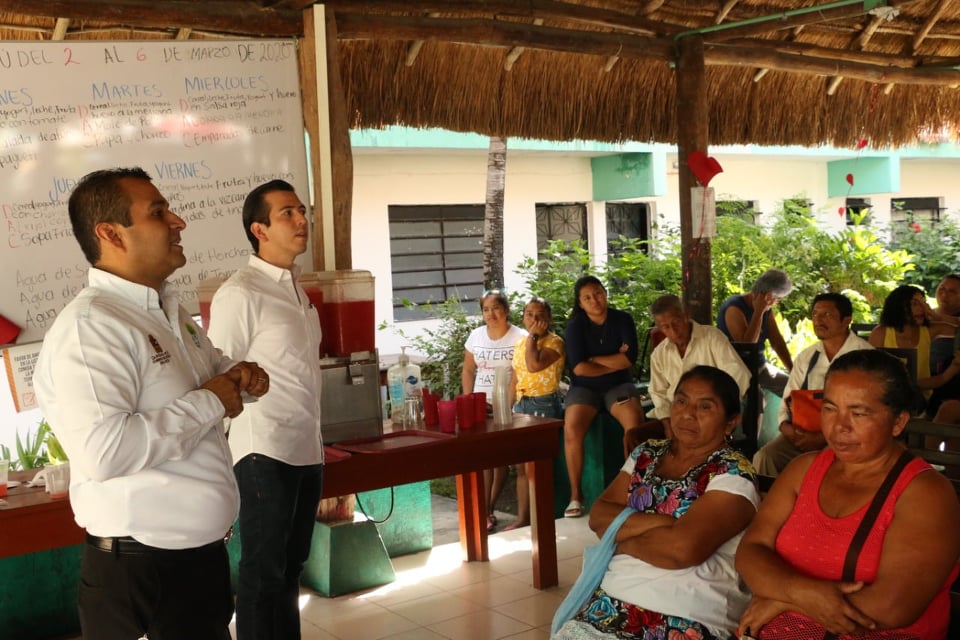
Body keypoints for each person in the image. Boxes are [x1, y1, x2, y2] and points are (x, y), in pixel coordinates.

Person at [33, 167, 269, 640]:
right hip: (143, 575)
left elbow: (205, 375)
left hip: (195, 565)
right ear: (110, 234)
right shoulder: (92, 327)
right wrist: (211, 400)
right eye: (158, 213)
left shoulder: (165, 311)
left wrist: (238, 374)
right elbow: (106, 453)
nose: (178, 222)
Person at [736, 349, 960, 639]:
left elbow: (893, 607)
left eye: (858, 413)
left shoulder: (925, 493)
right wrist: (800, 593)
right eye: (830, 409)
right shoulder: (803, 470)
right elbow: (751, 551)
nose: (839, 426)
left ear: (898, 422)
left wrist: (783, 601)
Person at [553, 366, 760, 639]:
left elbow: (682, 550)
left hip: (683, 615)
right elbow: (599, 516)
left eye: (705, 407)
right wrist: (664, 523)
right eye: (681, 401)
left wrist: (620, 542)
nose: (687, 414)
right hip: (609, 606)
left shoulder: (734, 473)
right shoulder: (647, 453)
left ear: (731, 422)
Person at [207, 180, 324, 640]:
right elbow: (220, 374)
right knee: (263, 572)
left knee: (291, 569)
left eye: (302, 211)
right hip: (263, 449)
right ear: (259, 230)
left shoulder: (296, 290)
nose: (301, 220)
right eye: (287, 213)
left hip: (306, 445)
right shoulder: (241, 292)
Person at [752, 292, 873, 477]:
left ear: (846, 320)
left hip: (846, 436)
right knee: (765, 457)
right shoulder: (807, 357)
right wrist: (787, 428)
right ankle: (772, 496)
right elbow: (787, 399)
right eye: (815, 314)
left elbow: (867, 411)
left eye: (828, 314)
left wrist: (822, 437)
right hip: (804, 433)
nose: (819, 320)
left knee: (826, 464)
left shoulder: (865, 356)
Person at [563, 276, 644, 518]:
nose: (594, 300)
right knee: (572, 428)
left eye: (598, 293)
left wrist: (593, 359)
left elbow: (628, 360)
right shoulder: (576, 326)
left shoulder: (622, 319)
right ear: (580, 303)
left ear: (605, 293)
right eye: (587, 297)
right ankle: (576, 496)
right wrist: (613, 361)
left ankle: (634, 489)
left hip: (619, 385)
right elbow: (578, 368)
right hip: (584, 388)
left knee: (634, 424)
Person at [625, 294, 751, 451]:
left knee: (693, 441)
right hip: (676, 418)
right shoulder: (660, 353)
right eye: (665, 327)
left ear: (686, 315)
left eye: (676, 322)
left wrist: (716, 410)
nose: (673, 331)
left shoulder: (711, 337)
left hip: (708, 417)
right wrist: (667, 423)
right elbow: (658, 392)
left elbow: (739, 374)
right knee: (634, 437)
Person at [462, 289, 526, 531]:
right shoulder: (476, 336)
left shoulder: (519, 337)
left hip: (507, 404)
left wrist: (506, 406)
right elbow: (468, 369)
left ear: (506, 310)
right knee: (483, 460)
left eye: (496, 308)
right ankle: (484, 511)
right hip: (480, 403)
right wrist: (468, 399)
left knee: (501, 461)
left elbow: (518, 375)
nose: (491, 314)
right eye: (486, 309)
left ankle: (488, 509)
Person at [506, 296, 565, 531]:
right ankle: (524, 518)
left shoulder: (555, 342)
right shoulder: (521, 342)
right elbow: (516, 377)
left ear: (548, 318)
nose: (534, 319)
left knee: (539, 465)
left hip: (543, 404)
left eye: (540, 315)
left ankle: (545, 517)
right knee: (521, 466)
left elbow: (533, 365)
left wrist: (533, 337)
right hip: (521, 404)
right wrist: (507, 408)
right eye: (529, 314)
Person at [868, 284, 955, 399]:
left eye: (923, 303)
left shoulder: (929, 330)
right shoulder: (881, 332)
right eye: (914, 304)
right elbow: (871, 371)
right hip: (888, 397)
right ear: (898, 307)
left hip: (921, 398)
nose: (921, 309)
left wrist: (936, 315)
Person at [717, 268, 794, 395]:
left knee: (794, 388)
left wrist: (793, 370)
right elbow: (747, 347)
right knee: (758, 398)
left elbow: (777, 342)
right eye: (778, 299)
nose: (776, 303)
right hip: (735, 371)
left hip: (759, 368)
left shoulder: (767, 310)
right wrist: (758, 312)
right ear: (769, 296)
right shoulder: (734, 308)